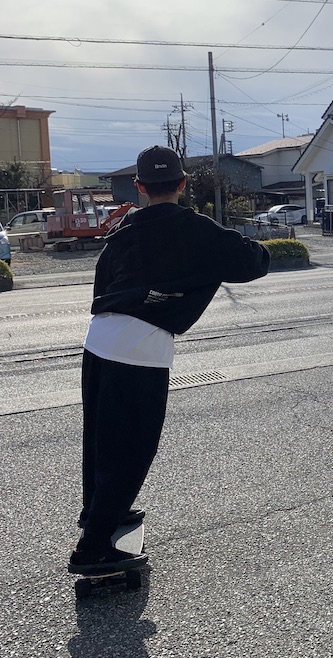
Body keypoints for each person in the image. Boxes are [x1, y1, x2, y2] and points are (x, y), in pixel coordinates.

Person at [69, 145, 272, 574]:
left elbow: (101, 283)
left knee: (101, 440)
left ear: (140, 187)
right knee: (131, 449)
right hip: (140, 349)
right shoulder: (198, 230)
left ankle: (99, 512)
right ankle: (93, 549)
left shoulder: (124, 227)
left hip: (98, 339)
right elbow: (254, 261)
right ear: (183, 183)